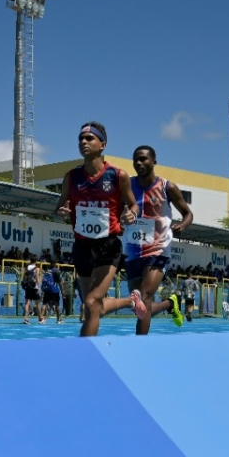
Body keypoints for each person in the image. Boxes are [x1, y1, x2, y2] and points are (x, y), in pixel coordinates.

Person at [54, 122, 139, 337]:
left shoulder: (118, 176)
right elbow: (60, 205)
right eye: (81, 139)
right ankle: (131, 300)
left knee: (92, 302)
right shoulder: (71, 177)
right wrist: (61, 210)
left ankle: (84, 355)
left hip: (108, 245)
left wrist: (132, 214)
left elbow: (134, 204)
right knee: (92, 308)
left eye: (90, 138)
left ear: (103, 145)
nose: (83, 142)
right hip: (82, 246)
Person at [123, 145, 190, 334]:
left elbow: (187, 213)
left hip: (158, 248)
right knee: (140, 306)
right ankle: (170, 303)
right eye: (135, 159)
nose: (138, 163)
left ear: (154, 161)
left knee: (143, 296)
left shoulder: (167, 187)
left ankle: (140, 346)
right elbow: (117, 209)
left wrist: (182, 225)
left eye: (143, 159)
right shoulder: (127, 185)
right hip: (133, 248)